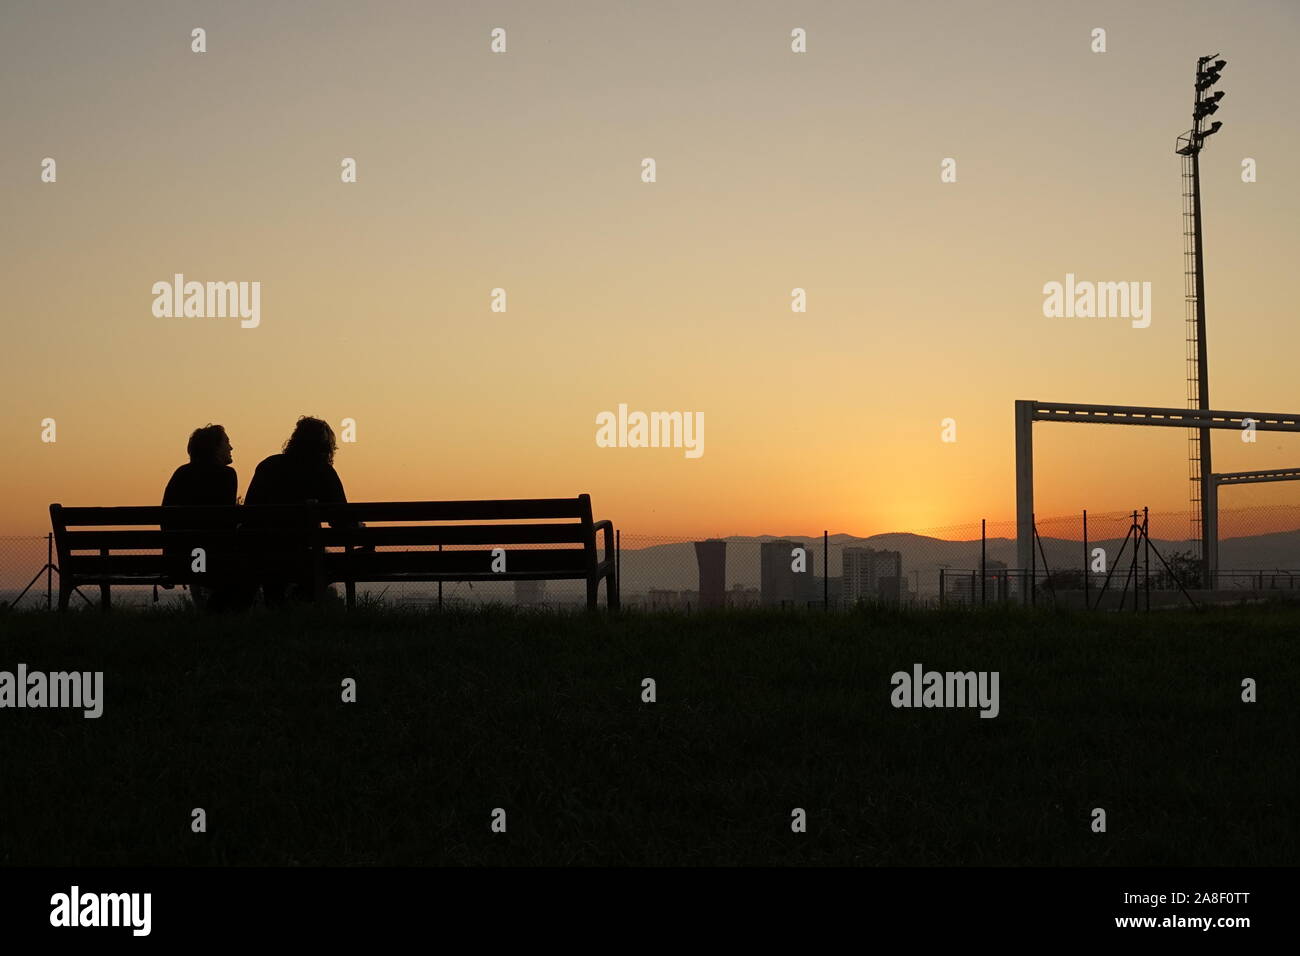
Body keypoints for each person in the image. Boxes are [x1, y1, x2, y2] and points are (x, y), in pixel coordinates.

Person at [244, 416, 358, 604]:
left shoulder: (268, 465)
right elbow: (340, 519)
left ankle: (278, 611)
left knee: (277, 566)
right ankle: (303, 608)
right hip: (304, 554)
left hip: (264, 551)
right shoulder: (323, 471)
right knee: (318, 566)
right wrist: (357, 526)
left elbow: (250, 512)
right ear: (325, 447)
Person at [161, 424, 244, 610]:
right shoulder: (226, 475)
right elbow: (224, 522)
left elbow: (166, 519)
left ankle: (209, 612)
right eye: (227, 443)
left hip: (181, 559)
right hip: (209, 559)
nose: (231, 448)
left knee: (200, 553)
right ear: (215, 448)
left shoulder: (181, 473)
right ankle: (217, 615)